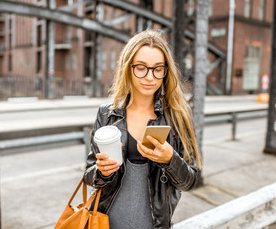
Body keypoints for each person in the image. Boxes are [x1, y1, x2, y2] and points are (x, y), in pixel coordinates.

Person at [83, 29, 202, 229]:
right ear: (128, 68)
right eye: (141, 68)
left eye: (158, 69)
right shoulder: (107, 113)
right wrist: (101, 172)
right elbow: (89, 174)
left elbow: (190, 181)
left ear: (166, 71)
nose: (150, 77)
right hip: (105, 223)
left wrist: (169, 160)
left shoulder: (177, 115)